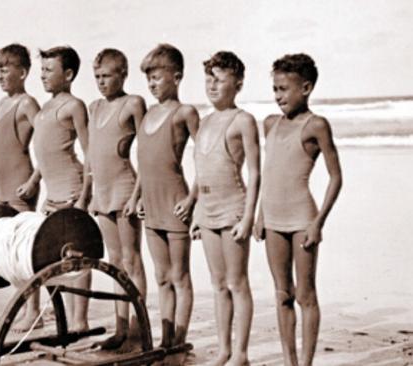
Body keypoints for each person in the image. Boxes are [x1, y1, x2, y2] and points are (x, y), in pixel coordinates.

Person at [253, 53, 343, 366]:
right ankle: (289, 361)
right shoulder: (269, 124)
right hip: (273, 221)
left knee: (305, 295)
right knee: (282, 294)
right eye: (274, 89)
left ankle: (306, 363)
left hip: (303, 220)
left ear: (305, 88)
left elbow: (336, 177)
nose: (277, 96)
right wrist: (260, 215)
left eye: (284, 89)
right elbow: (269, 172)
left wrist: (318, 222)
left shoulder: (316, 125)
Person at [189, 51, 260, 366]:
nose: (212, 85)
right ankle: (223, 350)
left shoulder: (242, 120)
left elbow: (256, 173)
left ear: (238, 83)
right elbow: (200, 169)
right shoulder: (204, 122)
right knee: (218, 284)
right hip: (207, 210)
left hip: (233, 208)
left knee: (236, 282)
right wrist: (195, 211)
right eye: (208, 78)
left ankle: (241, 354)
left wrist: (248, 217)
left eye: (219, 79)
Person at [19, 46, 91, 331]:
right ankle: (65, 320)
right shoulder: (45, 108)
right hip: (52, 195)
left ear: (69, 74)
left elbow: (89, 153)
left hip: (73, 191)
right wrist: (34, 180)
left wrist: (85, 196)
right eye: (42, 70)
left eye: (50, 70)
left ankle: (80, 321)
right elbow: (45, 153)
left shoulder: (73, 106)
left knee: (79, 259)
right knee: (53, 257)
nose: (43, 75)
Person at [136, 44, 199, 349]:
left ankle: (180, 341)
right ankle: (165, 340)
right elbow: (143, 162)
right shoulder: (147, 114)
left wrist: (193, 200)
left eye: (157, 77)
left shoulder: (184, 112)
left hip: (175, 203)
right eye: (148, 78)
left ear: (177, 77)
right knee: (161, 277)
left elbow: (207, 156)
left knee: (180, 277)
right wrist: (138, 196)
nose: (151, 83)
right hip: (151, 206)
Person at [87, 48, 147, 350]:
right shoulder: (94, 107)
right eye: (97, 76)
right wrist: (88, 194)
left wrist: (139, 195)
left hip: (125, 188)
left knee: (132, 259)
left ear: (122, 75)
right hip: (102, 191)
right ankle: (120, 328)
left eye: (107, 76)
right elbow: (90, 155)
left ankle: (138, 330)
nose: (101, 81)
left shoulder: (133, 103)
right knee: (114, 263)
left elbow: (148, 152)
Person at [0, 43, 43, 332]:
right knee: (8, 247)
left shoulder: (26, 103)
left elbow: (47, 143)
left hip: (21, 185)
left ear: (22, 72)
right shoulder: (2, 104)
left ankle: (34, 311)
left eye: (5, 69)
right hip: (2, 185)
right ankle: (24, 306)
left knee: (24, 249)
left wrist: (34, 180)